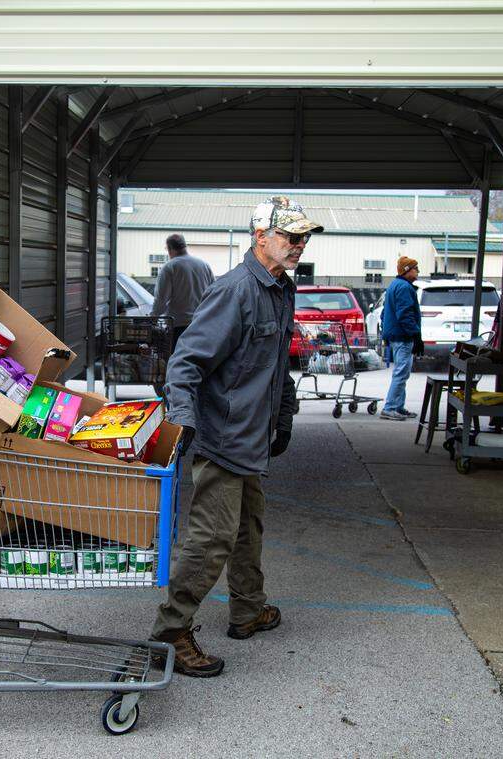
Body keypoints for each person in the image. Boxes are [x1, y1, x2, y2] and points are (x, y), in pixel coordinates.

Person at [149, 196, 321, 677]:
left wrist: (282, 417)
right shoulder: (236, 290)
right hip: (223, 438)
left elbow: (275, 366)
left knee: (249, 528)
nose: (298, 246)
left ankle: (247, 611)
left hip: (252, 437)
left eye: (302, 237)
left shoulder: (280, 288)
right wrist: (183, 420)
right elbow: (185, 364)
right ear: (260, 237)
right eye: (290, 237)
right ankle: (170, 633)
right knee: (211, 538)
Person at [150, 233, 215, 395]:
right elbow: (214, 294)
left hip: (178, 328)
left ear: (170, 249)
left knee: (177, 368)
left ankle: (178, 404)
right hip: (202, 326)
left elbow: (161, 300)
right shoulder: (203, 265)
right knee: (198, 367)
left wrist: (151, 320)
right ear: (184, 246)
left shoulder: (170, 267)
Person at [380, 256, 424, 420]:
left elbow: (385, 313)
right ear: (407, 270)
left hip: (395, 335)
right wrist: (416, 335)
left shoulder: (394, 285)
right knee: (401, 373)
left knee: (402, 372)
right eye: (415, 268)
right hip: (403, 336)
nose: (418, 271)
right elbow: (405, 314)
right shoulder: (405, 288)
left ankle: (398, 406)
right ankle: (390, 407)